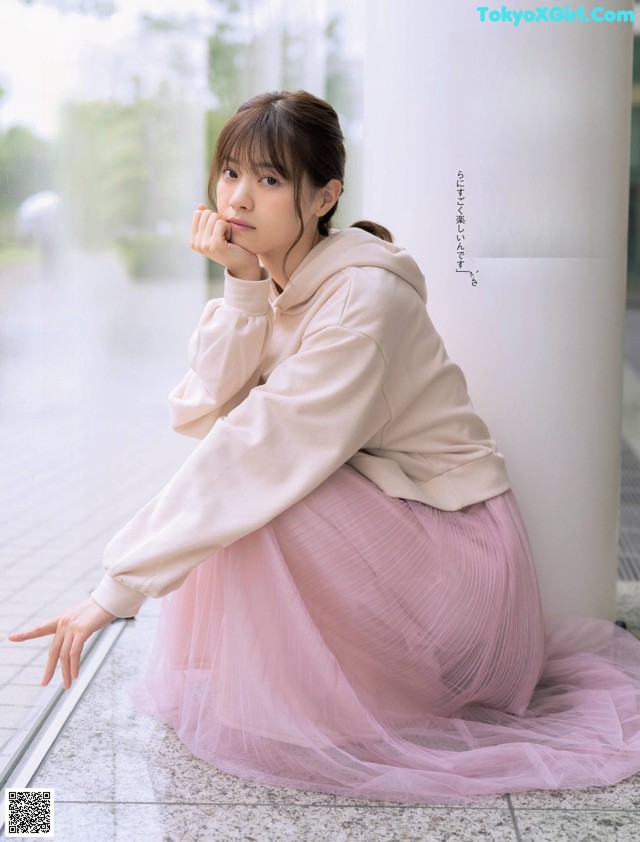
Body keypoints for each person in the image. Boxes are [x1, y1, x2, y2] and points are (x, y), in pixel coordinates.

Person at [9, 90, 640, 805]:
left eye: (270, 180)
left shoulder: (361, 302)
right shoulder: (278, 279)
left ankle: (336, 695)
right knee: (244, 465)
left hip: (459, 566)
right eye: (230, 174)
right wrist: (242, 287)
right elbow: (201, 407)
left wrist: (113, 591)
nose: (239, 198)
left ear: (323, 197)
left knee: (258, 486)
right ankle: (293, 690)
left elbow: (257, 449)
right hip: (391, 525)